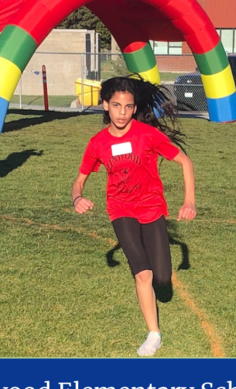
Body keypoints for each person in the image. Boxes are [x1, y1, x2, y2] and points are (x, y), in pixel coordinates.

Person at [71, 76, 196, 357]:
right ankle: (154, 334)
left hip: (151, 207)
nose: (122, 113)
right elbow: (78, 181)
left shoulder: (147, 135)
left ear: (134, 107)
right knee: (143, 273)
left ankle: (159, 281)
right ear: (105, 105)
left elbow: (184, 161)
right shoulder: (97, 143)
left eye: (128, 107)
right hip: (121, 209)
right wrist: (77, 197)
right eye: (116, 106)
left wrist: (189, 201)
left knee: (162, 278)